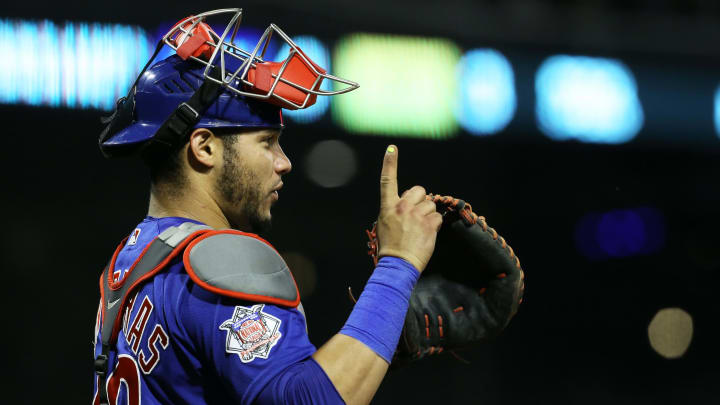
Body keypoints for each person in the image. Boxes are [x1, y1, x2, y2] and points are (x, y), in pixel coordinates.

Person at [92, 9, 442, 405]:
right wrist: (398, 265)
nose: (284, 161)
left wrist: (368, 346)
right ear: (204, 147)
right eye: (266, 142)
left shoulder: (134, 255)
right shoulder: (217, 258)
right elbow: (310, 400)